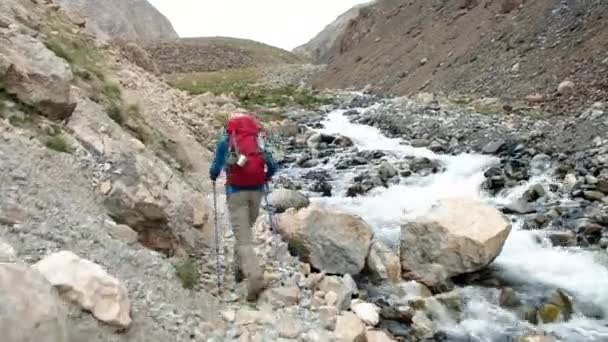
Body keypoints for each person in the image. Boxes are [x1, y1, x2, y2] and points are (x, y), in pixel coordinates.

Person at [209, 112, 278, 301]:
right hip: (257, 192)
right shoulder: (258, 140)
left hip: (236, 193)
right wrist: (265, 177)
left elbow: (215, 167)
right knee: (245, 232)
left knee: (244, 239)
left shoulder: (227, 141)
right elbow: (272, 165)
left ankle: (254, 279)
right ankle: (238, 269)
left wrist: (213, 176)